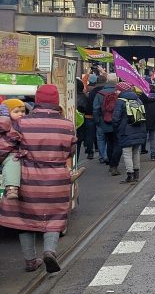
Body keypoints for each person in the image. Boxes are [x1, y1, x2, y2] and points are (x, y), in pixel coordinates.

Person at [0, 85, 75, 274]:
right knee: (55, 217)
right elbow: (70, 151)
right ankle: (49, 251)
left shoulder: (22, 123)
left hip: (28, 177)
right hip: (57, 178)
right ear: (56, 102)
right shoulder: (67, 125)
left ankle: (31, 261)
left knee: (24, 220)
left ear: (37, 101)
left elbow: (5, 146)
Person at [112, 81, 147, 184]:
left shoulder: (120, 101)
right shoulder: (138, 99)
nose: (115, 91)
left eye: (117, 89)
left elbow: (115, 118)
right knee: (136, 152)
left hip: (126, 131)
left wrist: (117, 129)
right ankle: (136, 174)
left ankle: (129, 175)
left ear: (121, 90)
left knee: (127, 153)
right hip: (139, 129)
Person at [93, 74, 120, 174]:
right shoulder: (118, 92)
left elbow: (95, 109)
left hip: (104, 121)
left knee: (109, 143)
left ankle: (110, 164)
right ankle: (114, 165)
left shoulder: (100, 93)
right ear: (116, 81)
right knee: (117, 143)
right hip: (117, 122)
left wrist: (97, 121)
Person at [0, 100, 26, 200]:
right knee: (14, 161)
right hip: (8, 153)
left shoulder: (23, 125)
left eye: (23, 111)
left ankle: (12, 188)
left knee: (14, 162)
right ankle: (12, 187)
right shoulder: (10, 125)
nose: (21, 114)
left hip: (10, 153)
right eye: (16, 111)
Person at [142, 84, 155, 159]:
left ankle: (141, 150)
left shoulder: (143, 96)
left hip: (144, 119)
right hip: (154, 119)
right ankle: (153, 154)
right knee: (152, 138)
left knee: (143, 136)